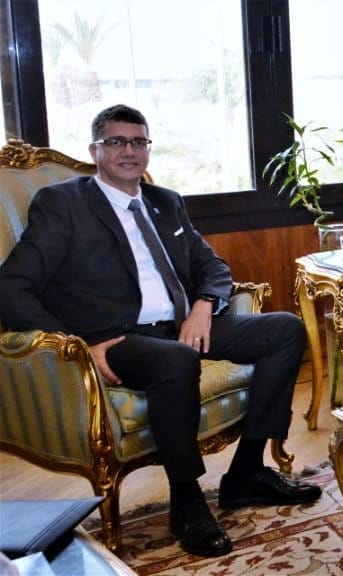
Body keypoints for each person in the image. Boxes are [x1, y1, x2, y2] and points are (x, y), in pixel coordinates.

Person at [0, 105, 320, 558]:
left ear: (148, 149)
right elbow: (11, 286)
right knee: (177, 360)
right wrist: (77, 346)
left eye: (138, 141)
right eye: (116, 141)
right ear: (94, 150)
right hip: (117, 338)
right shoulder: (64, 204)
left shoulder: (165, 201)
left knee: (285, 329)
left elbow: (212, 266)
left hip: (183, 326)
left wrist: (204, 307)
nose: (129, 151)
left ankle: (246, 472)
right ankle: (187, 500)